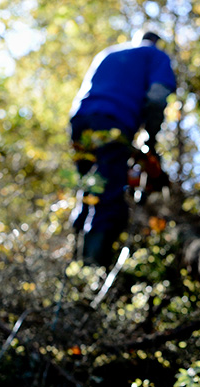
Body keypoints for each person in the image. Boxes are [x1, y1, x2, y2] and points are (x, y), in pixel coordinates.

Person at [69, 29, 177, 267]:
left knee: (88, 190)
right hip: (113, 125)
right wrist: (151, 136)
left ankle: (73, 263)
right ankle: (91, 268)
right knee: (109, 198)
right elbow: (158, 97)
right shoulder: (156, 56)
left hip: (80, 122)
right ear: (156, 43)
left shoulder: (109, 53)